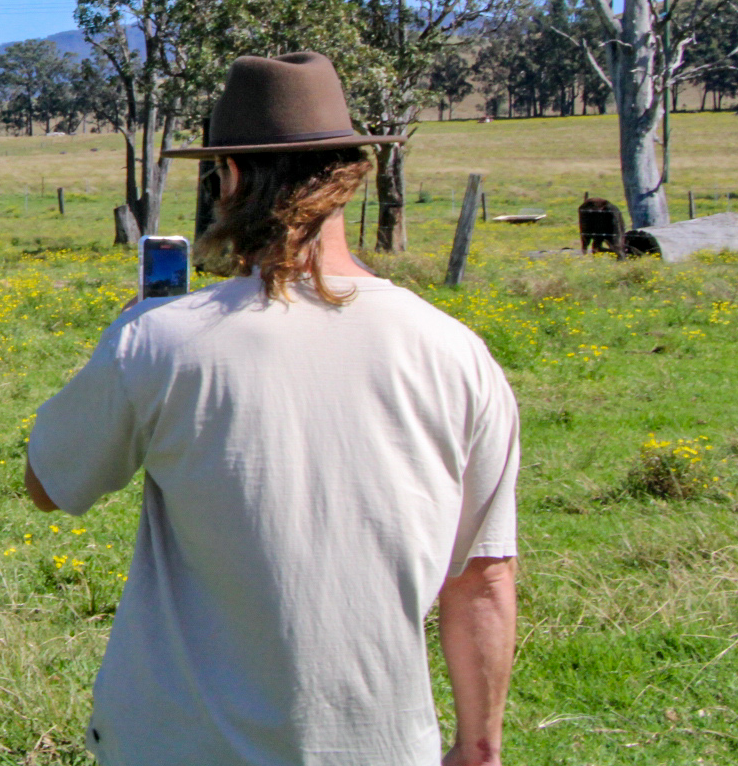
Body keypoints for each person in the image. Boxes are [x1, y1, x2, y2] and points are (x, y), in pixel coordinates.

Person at [26, 51, 518, 766]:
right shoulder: (457, 353)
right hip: (379, 747)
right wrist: (479, 748)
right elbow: (484, 576)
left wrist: (126, 334)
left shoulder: (160, 340)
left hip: (176, 745)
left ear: (228, 177)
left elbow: (48, 484)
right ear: (352, 175)